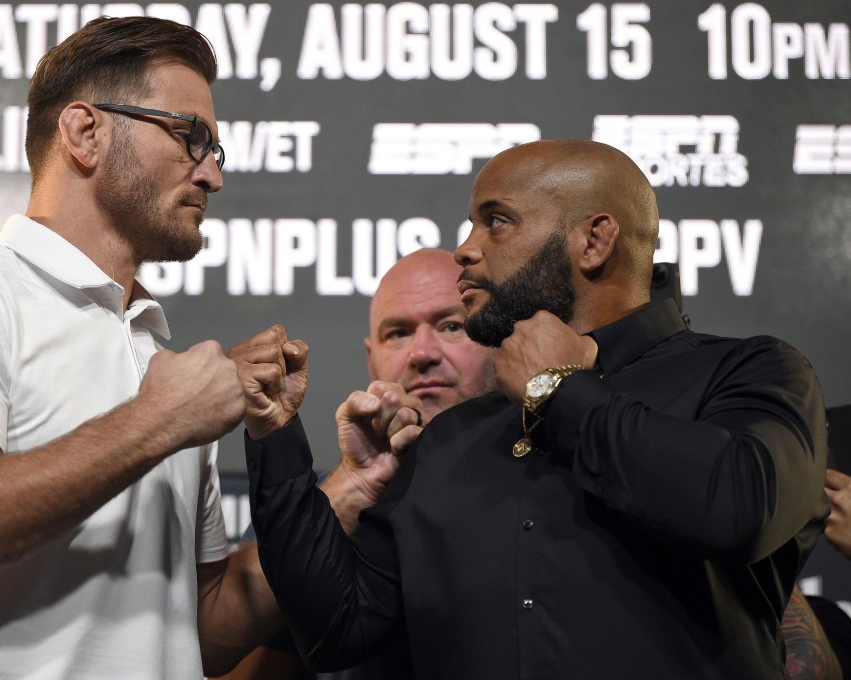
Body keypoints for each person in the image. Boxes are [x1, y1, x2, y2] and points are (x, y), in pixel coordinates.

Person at [242, 140, 831, 679]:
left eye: (496, 222)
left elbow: (738, 509)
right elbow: (339, 627)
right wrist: (276, 435)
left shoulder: (747, 372)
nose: (464, 250)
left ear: (595, 241)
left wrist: (560, 390)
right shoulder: (454, 438)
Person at [0, 16, 296, 679]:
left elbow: (196, 624)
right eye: (189, 137)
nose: (212, 177)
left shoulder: (158, 356)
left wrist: (349, 491)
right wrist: (162, 420)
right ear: (86, 132)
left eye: (215, 151)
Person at [220, 248, 497, 680]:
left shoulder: (548, 479)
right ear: (371, 358)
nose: (421, 353)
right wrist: (352, 484)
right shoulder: (320, 509)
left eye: (451, 326)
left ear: (496, 338)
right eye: (398, 333)